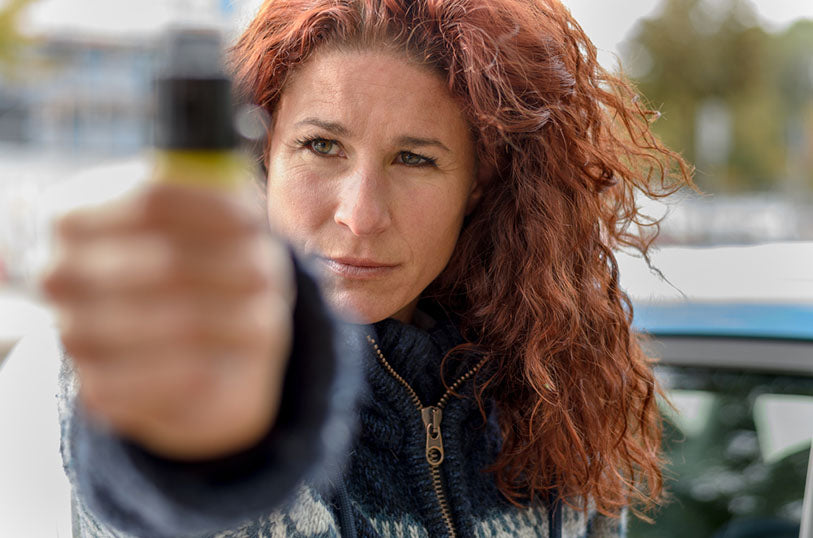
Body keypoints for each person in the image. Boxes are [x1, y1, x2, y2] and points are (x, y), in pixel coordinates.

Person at [44, 0, 693, 536]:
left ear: (477, 185)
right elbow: (153, 497)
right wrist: (205, 443)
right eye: (321, 145)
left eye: (414, 159)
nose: (359, 214)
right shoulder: (193, 330)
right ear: (267, 154)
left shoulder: (552, 378)